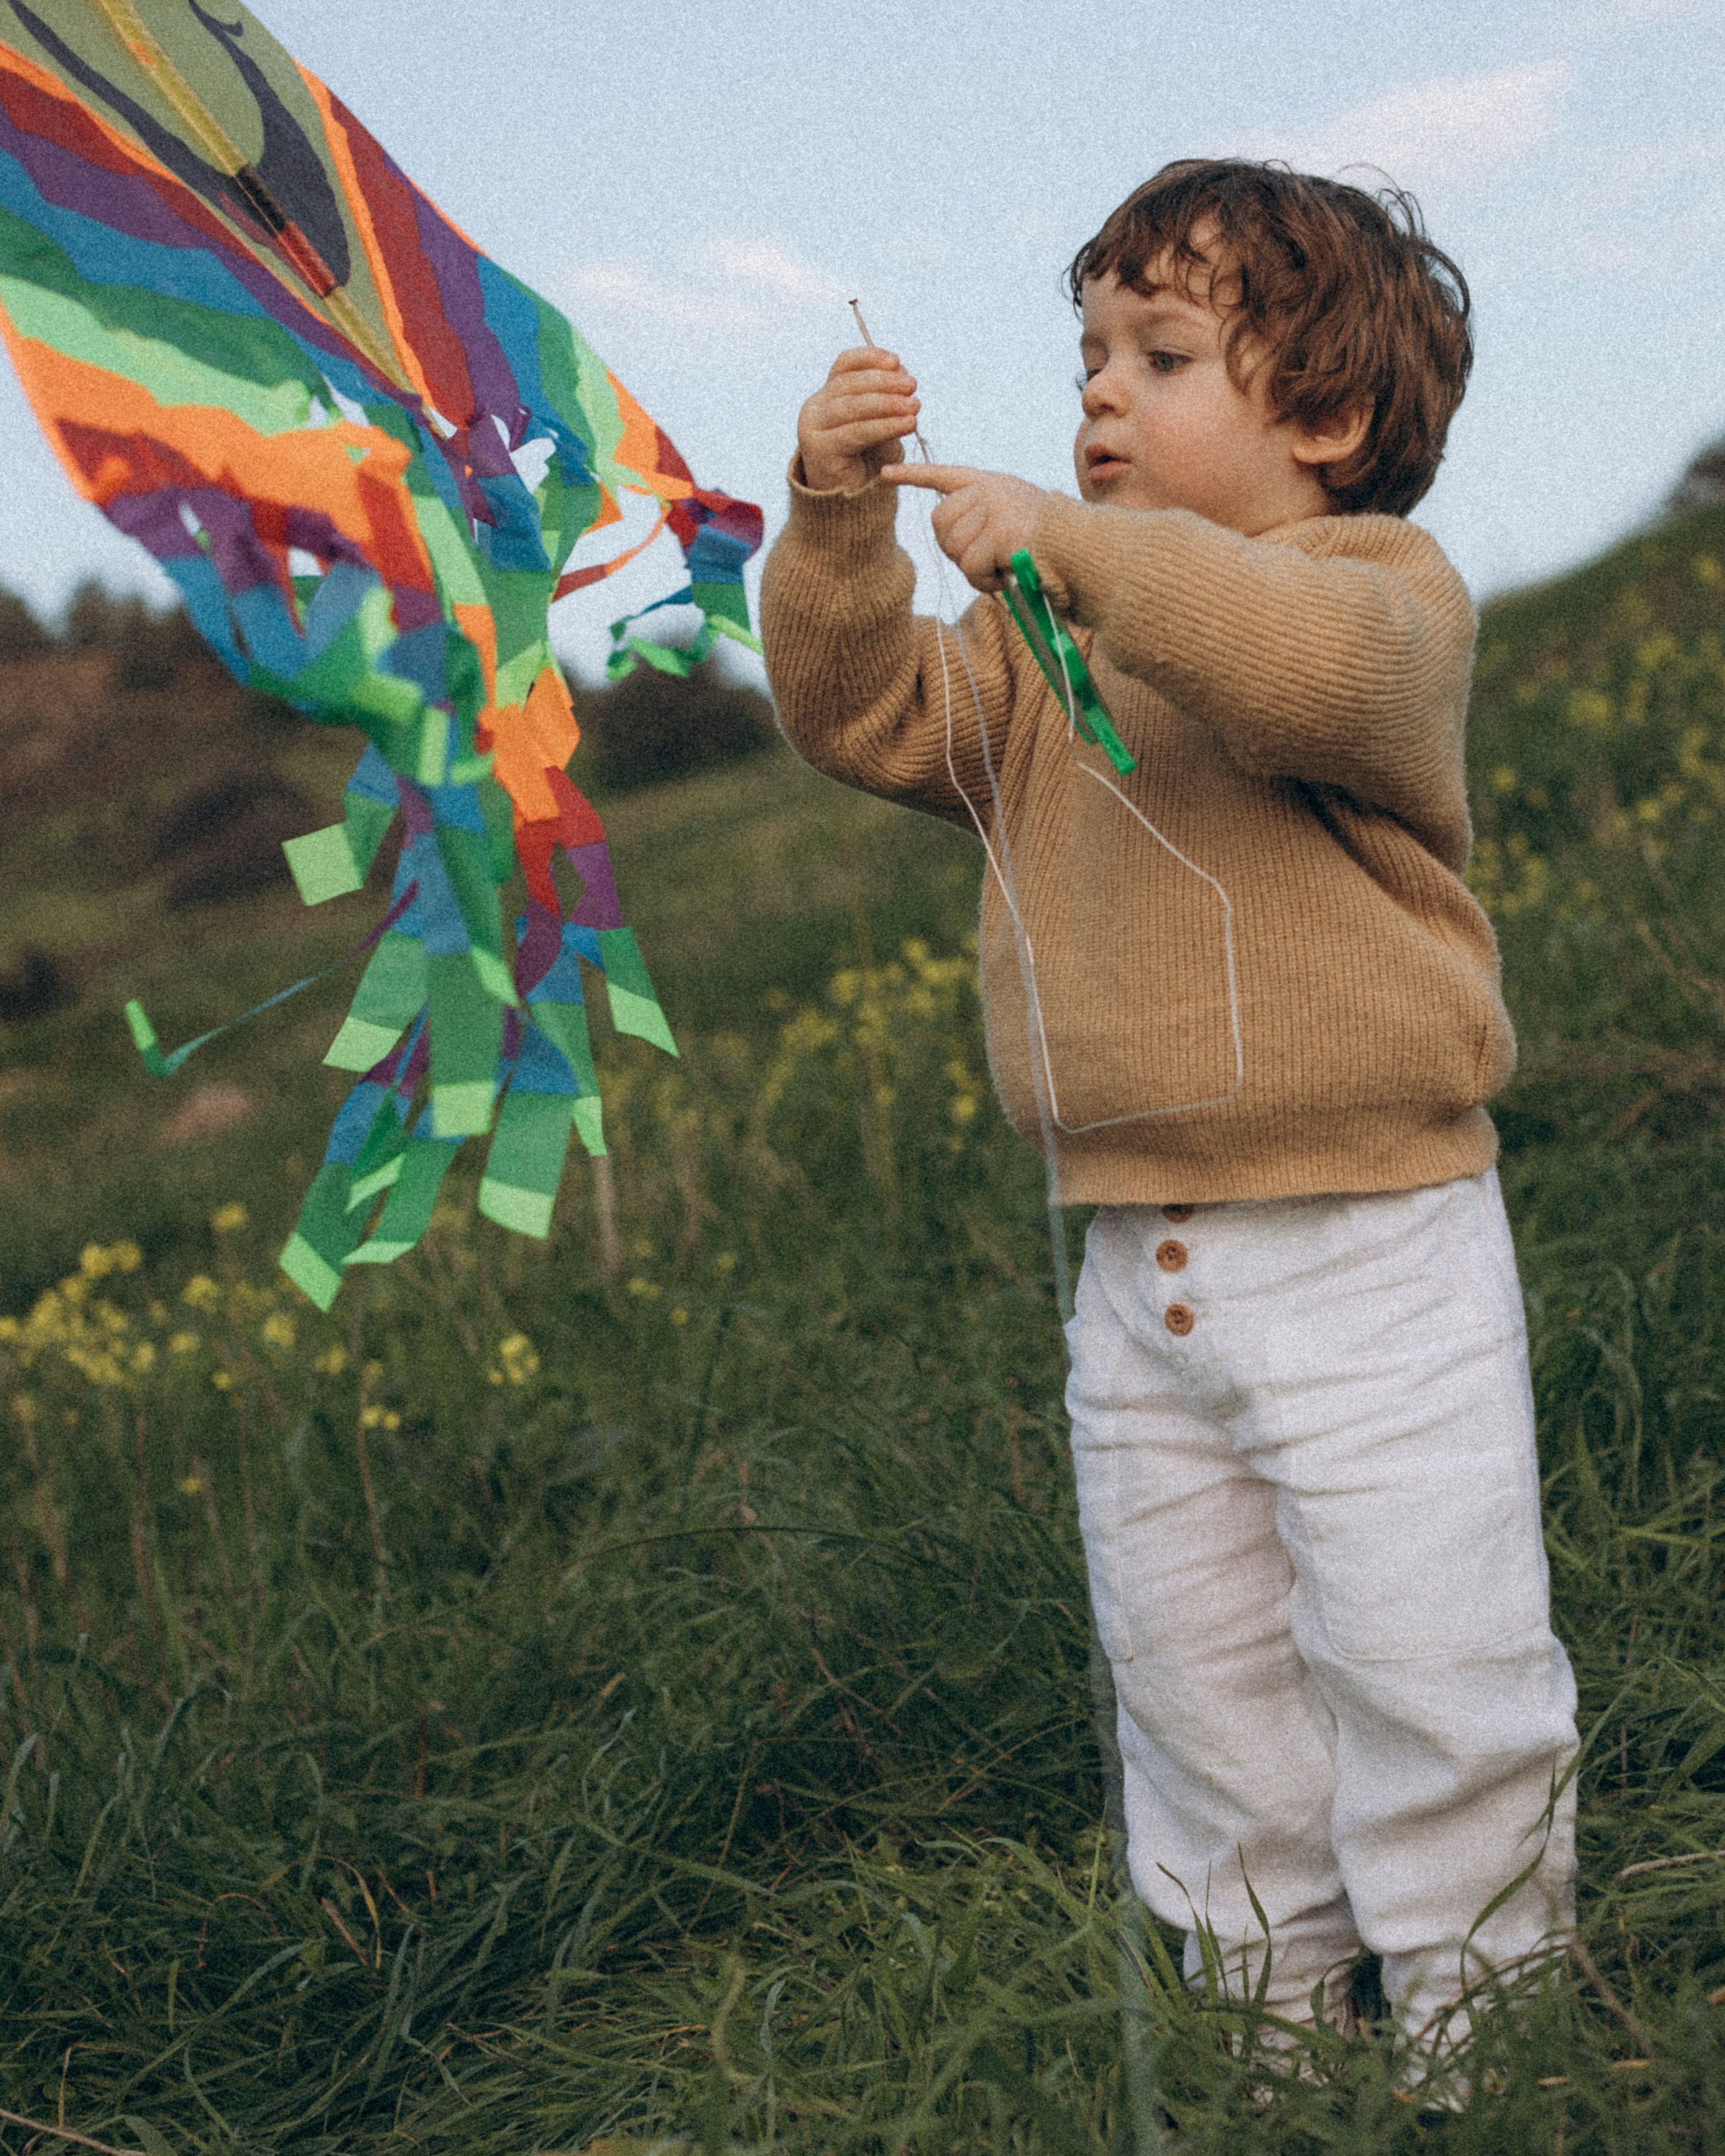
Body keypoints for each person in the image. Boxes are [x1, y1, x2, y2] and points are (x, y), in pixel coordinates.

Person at [759, 158, 1578, 2078]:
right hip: (1143, 1270)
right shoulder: (1043, 646)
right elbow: (855, 705)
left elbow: (1293, 670)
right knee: (1200, 1699)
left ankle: (1492, 2027)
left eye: (1162, 354)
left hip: (1374, 1255)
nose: (1098, 395)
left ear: (1329, 417)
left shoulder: (1380, 596)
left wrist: (1074, 547)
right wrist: (834, 516)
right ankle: (1273, 2035)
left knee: (1429, 1668)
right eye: (1085, 358)